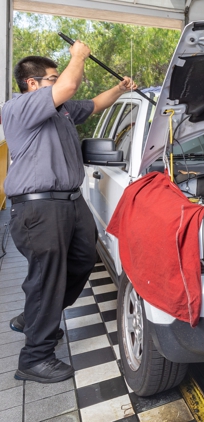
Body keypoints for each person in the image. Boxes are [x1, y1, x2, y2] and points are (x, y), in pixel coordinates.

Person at [3, 43, 137, 383]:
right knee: (47, 278)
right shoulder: (20, 107)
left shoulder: (60, 109)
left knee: (80, 260)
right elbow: (70, 85)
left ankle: (34, 318)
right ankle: (34, 358)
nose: (58, 81)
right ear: (31, 84)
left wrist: (120, 89)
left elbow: (93, 105)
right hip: (39, 206)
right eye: (51, 77)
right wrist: (77, 56)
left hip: (69, 201)